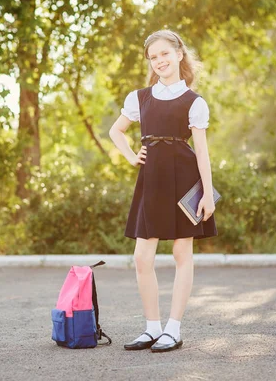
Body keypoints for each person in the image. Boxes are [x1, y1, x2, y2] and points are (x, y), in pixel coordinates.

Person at [108, 29, 218, 353]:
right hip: (152, 181)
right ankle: (152, 328)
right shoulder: (139, 98)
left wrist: (208, 194)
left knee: (182, 253)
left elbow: (202, 152)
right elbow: (116, 131)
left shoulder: (194, 102)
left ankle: (174, 328)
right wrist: (131, 156)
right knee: (142, 257)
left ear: (179, 54)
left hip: (185, 180)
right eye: (153, 57)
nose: (159, 61)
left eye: (164, 54)